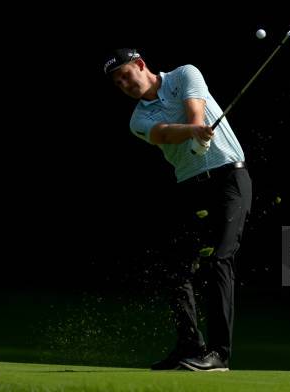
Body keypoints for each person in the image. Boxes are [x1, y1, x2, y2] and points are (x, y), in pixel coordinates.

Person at [104, 48, 252, 371]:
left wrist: (198, 130)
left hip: (229, 178)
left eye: (126, 75)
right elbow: (163, 133)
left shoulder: (185, 73)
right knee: (175, 267)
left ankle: (219, 354)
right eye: (118, 83)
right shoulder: (137, 119)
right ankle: (189, 345)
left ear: (141, 65)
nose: (124, 85)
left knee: (218, 260)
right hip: (191, 188)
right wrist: (192, 134)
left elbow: (195, 112)